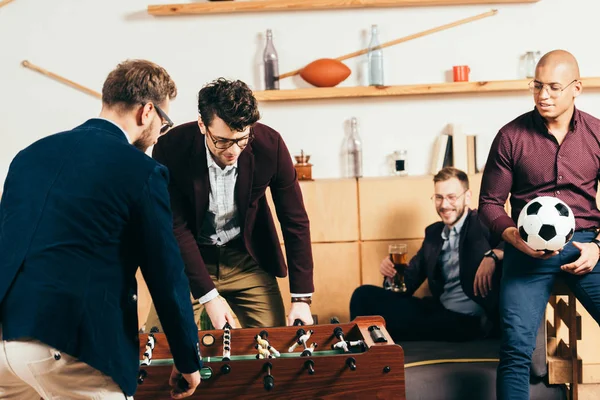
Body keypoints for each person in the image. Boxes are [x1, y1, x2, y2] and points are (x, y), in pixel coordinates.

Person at [0, 60, 201, 399]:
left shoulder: (29, 155)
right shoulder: (142, 171)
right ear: (147, 112)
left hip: (6, 343)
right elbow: (165, 274)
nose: (159, 134)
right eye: (163, 125)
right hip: (69, 348)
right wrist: (187, 358)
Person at [479, 49, 600, 400]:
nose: (543, 95)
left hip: (585, 248)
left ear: (576, 88)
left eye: (553, 87)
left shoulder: (596, 134)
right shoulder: (511, 136)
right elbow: (488, 204)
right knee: (515, 350)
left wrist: (598, 247)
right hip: (526, 251)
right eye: (537, 86)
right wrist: (514, 239)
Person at [146, 78, 314, 331]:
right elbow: (175, 227)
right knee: (161, 348)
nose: (234, 151)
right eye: (223, 141)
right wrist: (209, 297)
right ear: (203, 124)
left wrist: (301, 298)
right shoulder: (170, 148)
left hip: (246, 260)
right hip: (188, 260)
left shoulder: (271, 145)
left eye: (242, 139)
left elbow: (294, 220)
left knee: (275, 346)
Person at [350, 167, 504, 342]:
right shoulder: (434, 234)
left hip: (470, 321)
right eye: (439, 197)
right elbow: (408, 283)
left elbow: (515, 239)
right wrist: (391, 275)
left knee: (397, 324)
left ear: (467, 196)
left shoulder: (482, 221)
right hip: (440, 311)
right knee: (362, 295)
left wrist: (493, 255)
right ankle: (362, 356)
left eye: (451, 197)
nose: (444, 205)